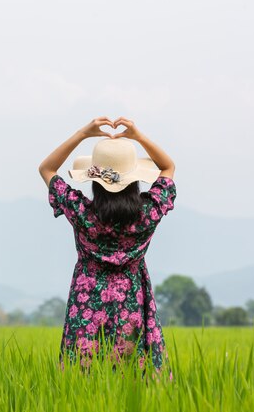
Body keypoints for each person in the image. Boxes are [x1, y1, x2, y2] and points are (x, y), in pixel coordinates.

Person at [38, 116, 176, 380]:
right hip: (132, 303)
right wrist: (138, 136)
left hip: (85, 302)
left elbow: (46, 169)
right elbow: (168, 167)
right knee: (130, 380)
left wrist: (83, 133)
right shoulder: (147, 214)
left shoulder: (81, 212)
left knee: (82, 381)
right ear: (135, 179)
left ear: (95, 181)